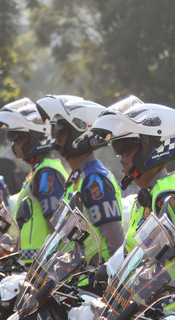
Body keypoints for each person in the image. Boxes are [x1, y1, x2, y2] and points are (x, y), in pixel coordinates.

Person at [90, 95, 175, 320]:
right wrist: (105, 270)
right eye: (117, 149)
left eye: (126, 148)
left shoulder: (170, 198)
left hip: (174, 318)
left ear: (152, 148)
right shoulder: (146, 198)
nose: (120, 156)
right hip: (146, 312)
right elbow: (133, 251)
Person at [36, 95, 124, 267]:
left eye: (61, 130)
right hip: (76, 282)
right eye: (54, 130)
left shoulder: (94, 179)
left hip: (95, 285)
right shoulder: (78, 176)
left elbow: (115, 243)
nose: (55, 137)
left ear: (82, 131)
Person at [0, 98, 68, 264]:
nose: (15, 145)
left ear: (37, 136)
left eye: (19, 138)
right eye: (13, 139)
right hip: (31, 264)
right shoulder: (38, 170)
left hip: (42, 264)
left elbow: (55, 223)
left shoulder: (47, 173)